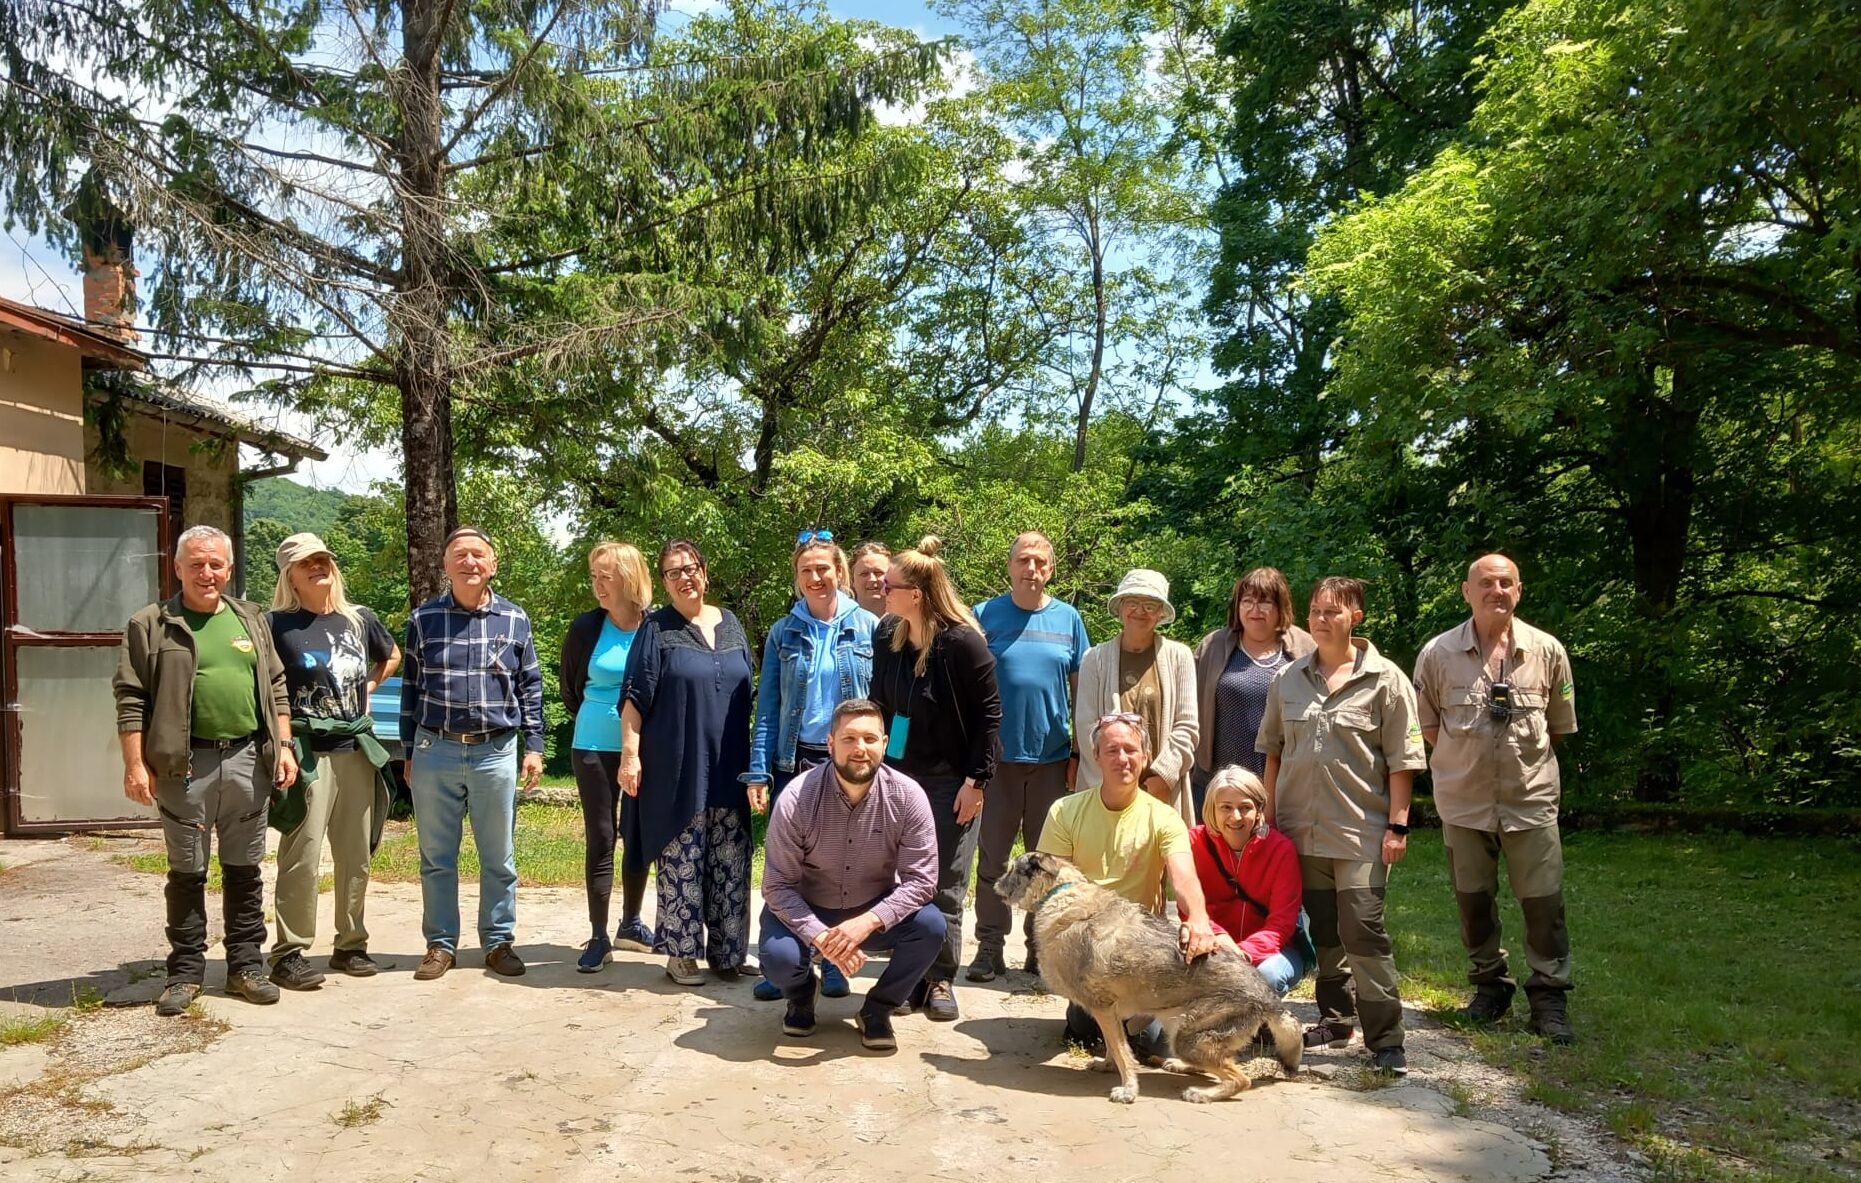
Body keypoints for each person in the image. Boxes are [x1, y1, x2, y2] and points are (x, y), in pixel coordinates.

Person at [114, 525, 296, 1015]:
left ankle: (245, 966)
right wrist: (135, 764)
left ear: (229, 569)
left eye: (216, 563)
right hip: (184, 765)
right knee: (187, 871)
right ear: (177, 569)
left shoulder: (251, 619)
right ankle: (186, 973)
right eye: (195, 563)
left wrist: (284, 745)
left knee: (245, 870)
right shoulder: (151, 624)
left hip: (246, 760)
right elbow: (131, 699)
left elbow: (277, 685)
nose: (206, 572)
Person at [1258, 576, 1427, 1075]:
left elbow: (1403, 761)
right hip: (1299, 833)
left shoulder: (1386, 679)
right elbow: (1272, 753)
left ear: (1356, 617)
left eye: (1332, 611)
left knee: (1364, 932)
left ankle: (1387, 1042)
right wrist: (1268, 815)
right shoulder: (1288, 680)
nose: (1320, 619)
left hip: (1360, 833)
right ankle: (1335, 1020)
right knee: (1325, 932)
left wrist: (1398, 827)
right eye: (1314, 611)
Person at [1413, 554, 1579, 1044]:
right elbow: (1426, 725)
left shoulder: (1547, 652)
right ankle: (1490, 987)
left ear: (1519, 591)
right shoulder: (1437, 654)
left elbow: (1558, 727)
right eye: (1486, 583)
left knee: (1544, 904)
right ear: (1467, 591)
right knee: (1474, 903)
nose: (1496, 591)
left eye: (1506, 583)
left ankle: (1549, 1000)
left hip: (1530, 801)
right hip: (1463, 804)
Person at [400, 527, 546, 981]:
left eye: (478, 555)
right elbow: (410, 689)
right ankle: (440, 944)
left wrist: (535, 745)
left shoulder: (515, 618)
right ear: (445, 566)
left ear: (493, 564)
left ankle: (498, 941)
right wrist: (408, 753)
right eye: (459, 555)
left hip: (495, 751)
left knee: (498, 855)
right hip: (434, 749)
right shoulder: (423, 619)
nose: (469, 563)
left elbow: (531, 686)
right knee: (436, 856)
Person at [758, 699, 946, 1051]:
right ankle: (801, 995)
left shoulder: (908, 797)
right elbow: (777, 885)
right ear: (830, 743)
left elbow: (922, 880)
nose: (860, 749)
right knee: (779, 958)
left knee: (932, 927)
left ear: (885, 744)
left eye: (870, 739)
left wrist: (867, 922)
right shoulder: (797, 798)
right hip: (807, 908)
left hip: (871, 909)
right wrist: (821, 936)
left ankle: (878, 1009)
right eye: (849, 739)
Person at [869, 536, 1001, 1022]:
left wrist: (978, 781)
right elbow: (879, 704)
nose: (882, 590)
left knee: (945, 882)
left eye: (890, 584)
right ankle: (908, 978)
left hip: (952, 782)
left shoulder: (963, 642)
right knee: (904, 881)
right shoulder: (888, 635)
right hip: (900, 777)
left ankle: (941, 977)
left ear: (917, 594)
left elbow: (989, 716)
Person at [745, 530, 880, 1001]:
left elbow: (885, 705)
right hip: (794, 762)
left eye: (824, 568)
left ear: (840, 572)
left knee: (846, 865)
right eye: (807, 570)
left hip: (852, 763)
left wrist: (890, 756)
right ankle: (785, 962)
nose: (816, 576)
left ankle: (838, 961)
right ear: (798, 578)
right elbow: (768, 708)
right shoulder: (785, 632)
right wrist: (759, 770)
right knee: (790, 868)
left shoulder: (869, 627)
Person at [1037, 713, 1218, 1055]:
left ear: (1146, 757)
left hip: (1138, 948)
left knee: (1153, 1046)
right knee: (1084, 1030)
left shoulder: (1164, 817)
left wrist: (1197, 918)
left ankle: (1128, 1022)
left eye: (1131, 750)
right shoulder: (1064, 811)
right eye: (1113, 750)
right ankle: (1089, 1016)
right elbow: (1051, 887)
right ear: (1096, 757)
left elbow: (1184, 876)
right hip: (1085, 947)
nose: (1123, 759)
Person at [618, 539, 756, 986]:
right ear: (664, 582)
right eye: (673, 572)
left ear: (705, 571)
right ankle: (679, 955)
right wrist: (630, 757)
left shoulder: (732, 624)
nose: (684, 577)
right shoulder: (656, 629)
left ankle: (728, 954)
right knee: (682, 860)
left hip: (730, 767)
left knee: (730, 862)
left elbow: (751, 694)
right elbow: (634, 700)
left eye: (691, 567)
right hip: (677, 769)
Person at [265, 533, 400, 989]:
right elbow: (267, 685)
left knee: (355, 852)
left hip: (355, 749)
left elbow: (392, 654)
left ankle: (351, 945)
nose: (318, 567)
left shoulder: (358, 619)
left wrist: (370, 691)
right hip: (305, 750)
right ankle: (288, 952)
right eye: (307, 564)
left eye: (323, 560)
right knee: (301, 851)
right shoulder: (276, 625)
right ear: (291, 575)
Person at [968, 530, 1089, 983]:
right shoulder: (985, 616)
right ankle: (988, 947)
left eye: (1040, 562)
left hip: (1052, 760)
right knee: (994, 858)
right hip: (996, 761)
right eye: (1023, 560)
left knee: (1046, 863)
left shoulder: (1069, 619)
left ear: (1051, 569)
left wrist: (1078, 751)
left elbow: (1083, 694)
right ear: (1010, 566)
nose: (1031, 569)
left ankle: (1039, 949)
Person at [560, 541, 653, 973]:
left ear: (629, 578)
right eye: (593, 576)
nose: (597, 585)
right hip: (593, 746)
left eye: (605, 576)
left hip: (645, 749)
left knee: (637, 836)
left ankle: (631, 923)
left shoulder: (656, 626)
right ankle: (599, 936)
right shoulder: (585, 628)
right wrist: (602, 721)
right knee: (601, 836)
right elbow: (570, 690)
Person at [1075, 570, 1199, 829]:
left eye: (1150, 605)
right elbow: (1087, 726)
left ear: (1161, 613)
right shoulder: (1093, 659)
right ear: (1120, 608)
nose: (1140, 611)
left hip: (1162, 788)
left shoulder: (1180, 657)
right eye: (1132, 602)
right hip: (1106, 788)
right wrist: (1118, 780)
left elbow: (1187, 726)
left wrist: (1163, 775)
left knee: (1160, 862)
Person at [1192, 567, 1316, 812]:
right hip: (1217, 783)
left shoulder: (1305, 649)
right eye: (1247, 601)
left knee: (1275, 850)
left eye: (1265, 602)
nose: (1254, 610)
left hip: (1284, 785)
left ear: (1281, 608)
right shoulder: (1212, 647)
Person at [1184, 765, 1309, 998]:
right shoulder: (1193, 843)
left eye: (1245, 807)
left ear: (1260, 810)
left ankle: (1261, 1030)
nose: (1236, 817)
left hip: (1274, 952)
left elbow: (1281, 924)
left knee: (1266, 976)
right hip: (1211, 945)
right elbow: (1189, 908)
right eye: (1226, 808)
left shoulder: (1281, 850)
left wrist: (1243, 954)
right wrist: (1220, 940)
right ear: (1211, 808)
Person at [848, 541, 892, 619]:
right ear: (852, 580)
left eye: (878, 572)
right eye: (864, 574)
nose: (872, 579)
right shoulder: (841, 620)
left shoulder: (906, 621)